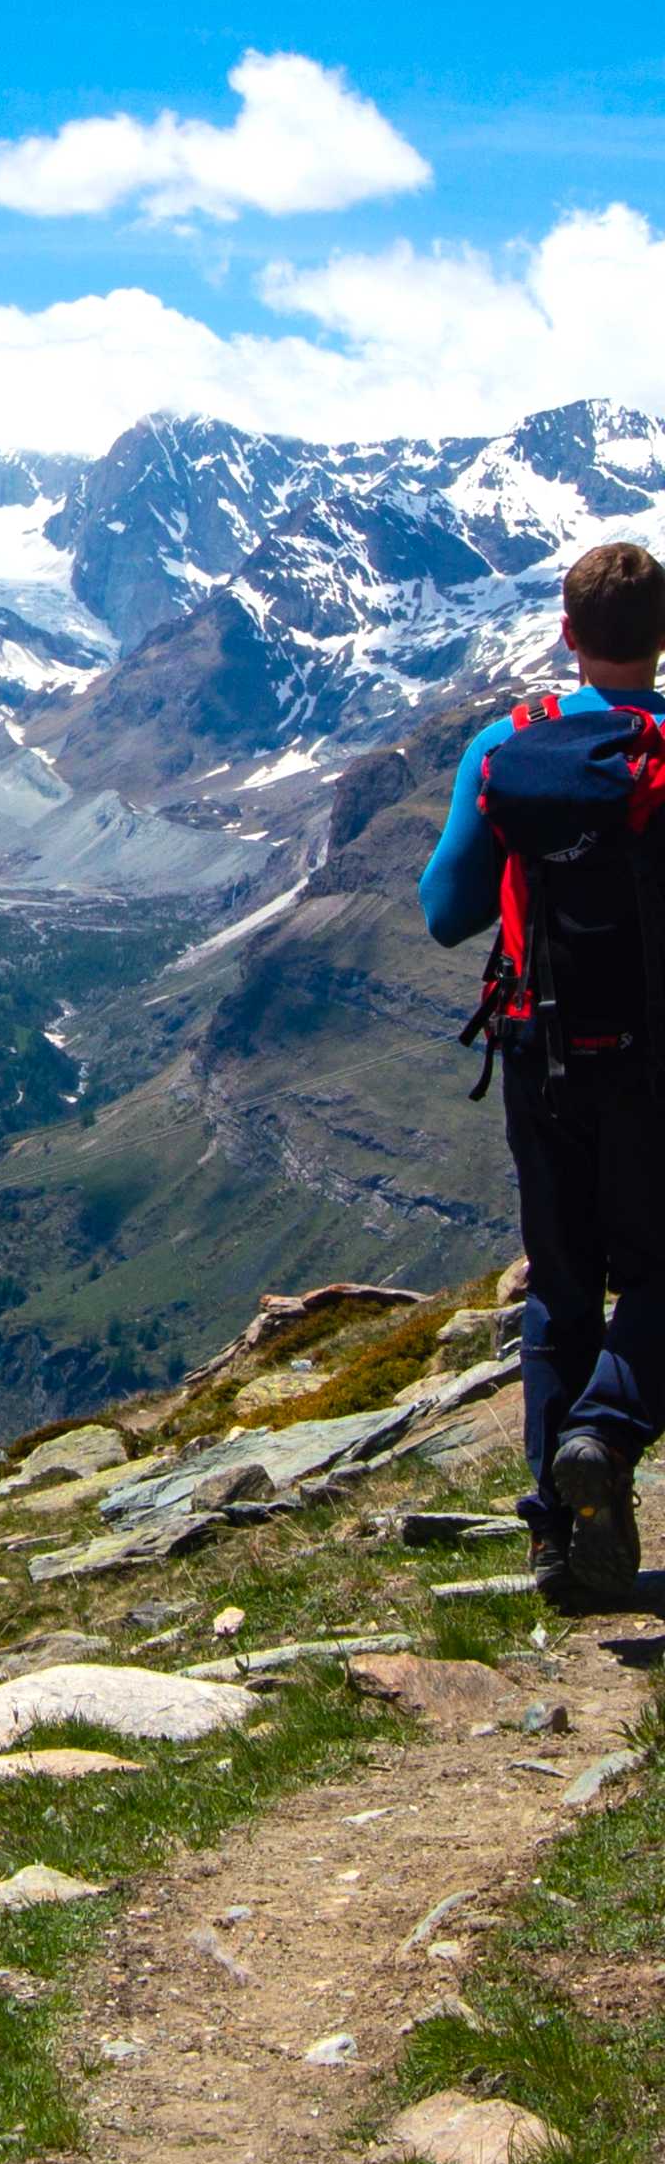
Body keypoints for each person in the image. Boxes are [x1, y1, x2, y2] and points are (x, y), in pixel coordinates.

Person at [419, 539, 665, 1609]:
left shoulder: (504, 745)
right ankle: (605, 1431)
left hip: (539, 1050)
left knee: (559, 1287)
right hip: (655, 1062)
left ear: (564, 634)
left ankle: (554, 1546)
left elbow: (444, 913)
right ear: (658, 638)